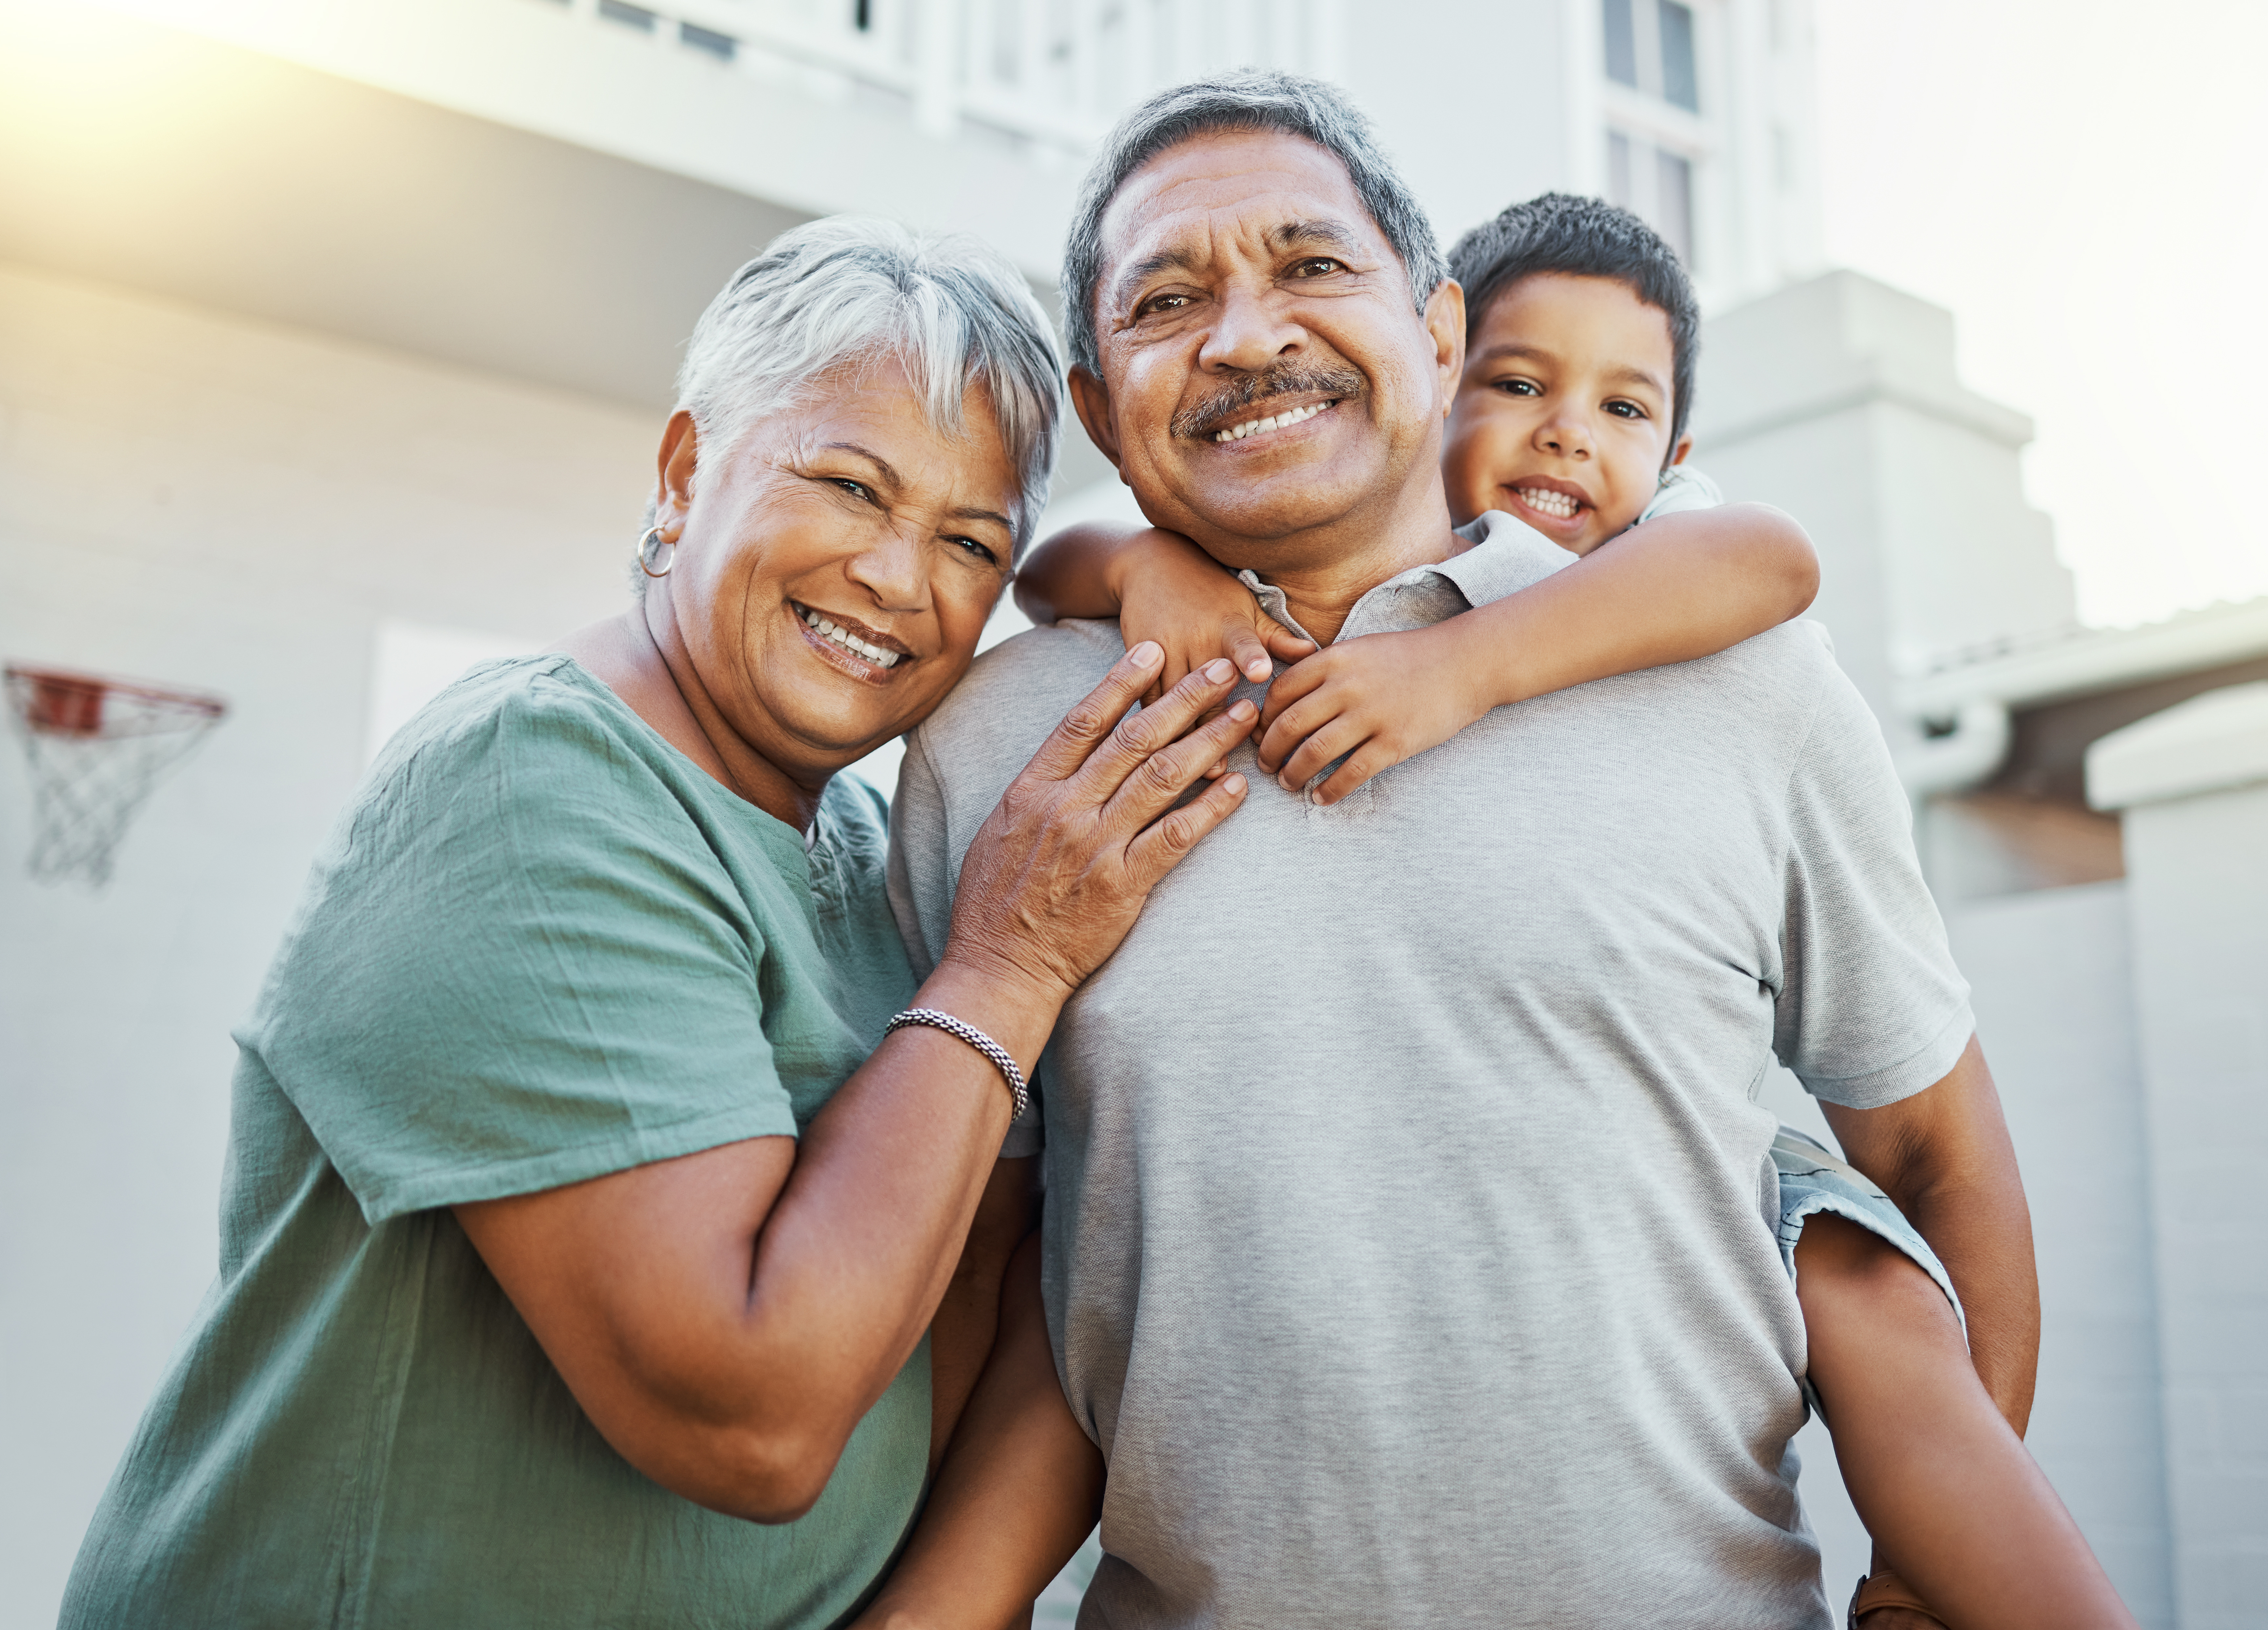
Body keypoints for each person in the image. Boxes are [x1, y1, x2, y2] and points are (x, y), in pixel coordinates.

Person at [866, 74, 2137, 1630]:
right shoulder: (992, 751)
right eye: (1168, 297)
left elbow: (1934, 1162)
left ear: (1440, 329)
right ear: (1094, 405)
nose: (1246, 333)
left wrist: (1919, 1586)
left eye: (1313, 266)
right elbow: (993, 1289)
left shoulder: (1735, 675)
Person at [55, 217, 1266, 1630]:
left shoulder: (871, 852)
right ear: (687, 474)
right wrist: (1007, 968)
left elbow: (996, 1292)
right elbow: (746, 1416)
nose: (896, 576)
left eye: (966, 542)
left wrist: (1127, 561)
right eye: (847, 486)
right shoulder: (532, 784)